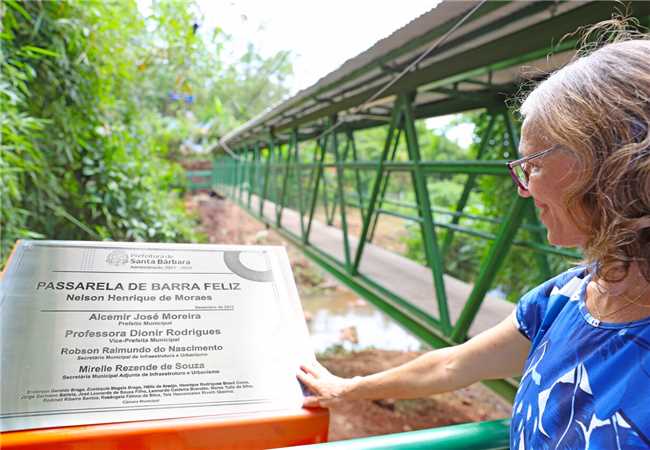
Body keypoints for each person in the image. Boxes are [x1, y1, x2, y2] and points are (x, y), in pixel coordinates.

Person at [298, 25, 650, 449]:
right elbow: (451, 365)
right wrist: (347, 387)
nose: (524, 187)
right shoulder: (562, 299)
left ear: (610, 161)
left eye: (533, 164)